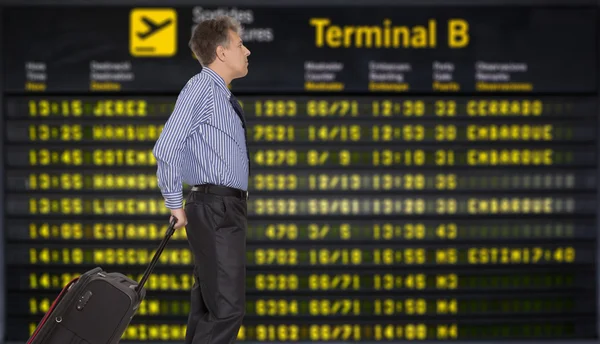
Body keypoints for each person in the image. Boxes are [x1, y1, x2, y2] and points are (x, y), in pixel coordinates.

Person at [152, 15, 251, 344]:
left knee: (208, 308)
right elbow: (167, 147)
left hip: (221, 208)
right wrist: (174, 203)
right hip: (216, 208)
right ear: (222, 52)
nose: (247, 51)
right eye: (240, 45)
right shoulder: (202, 87)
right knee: (226, 309)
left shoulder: (219, 94)